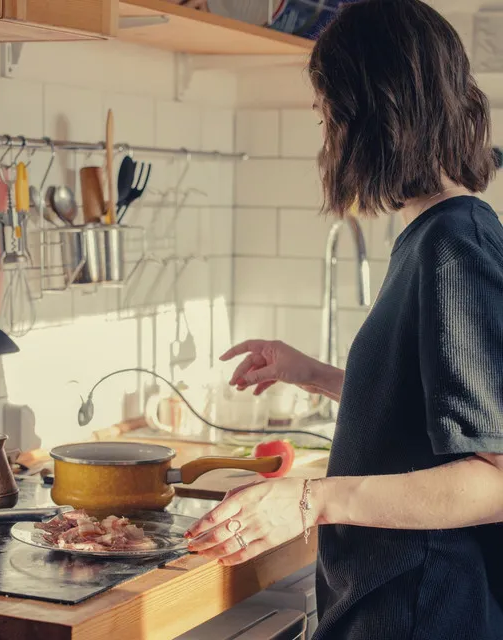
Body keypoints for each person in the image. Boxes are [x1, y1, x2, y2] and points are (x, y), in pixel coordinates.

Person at [183, 0, 503, 638]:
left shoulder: (453, 246)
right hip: (392, 603)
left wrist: (309, 499)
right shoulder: (431, 234)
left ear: (372, 114)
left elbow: (492, 480)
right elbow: (424, 410)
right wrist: (313, 373)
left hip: (424, 611)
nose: (324, 124)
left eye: (330, 106)